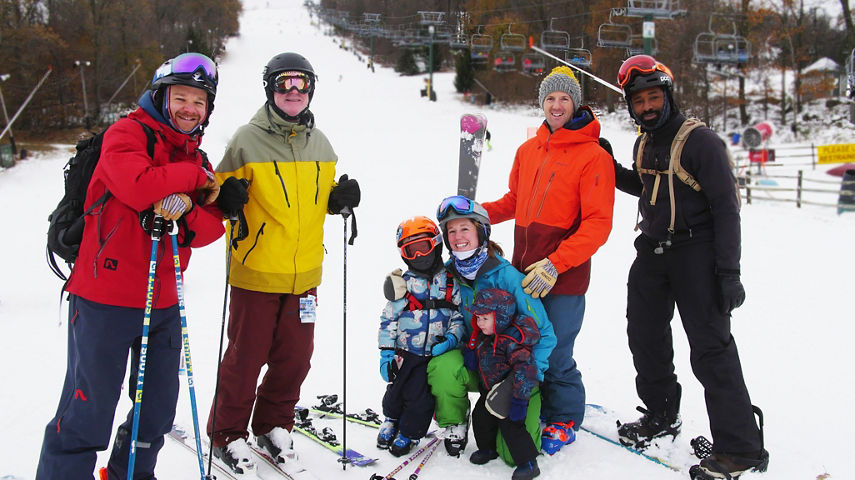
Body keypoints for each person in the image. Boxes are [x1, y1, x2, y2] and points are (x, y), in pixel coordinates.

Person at [36, 52, 225, 480]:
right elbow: (139, 186)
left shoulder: (198, 155)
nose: (189, 109)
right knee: (89, 409)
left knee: (156, 411)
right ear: (162, 95)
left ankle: (129, 474)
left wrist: (183, 213)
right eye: (181, 97)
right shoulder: (126, 135)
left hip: (163, 302)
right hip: (105, 298)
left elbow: (212, 229)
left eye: (200, 102)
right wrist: (195, 182)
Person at [611, 54, 769, 479]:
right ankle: (661, 414)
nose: (647, 106)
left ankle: (740, 448)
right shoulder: (644, 141)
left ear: (668, 95)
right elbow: (647, 188)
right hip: (652, 252)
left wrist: (728, 272)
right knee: (645, 337)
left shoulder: (701, 142)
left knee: (711, 350)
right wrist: (611, 169)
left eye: (653, 97)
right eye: (639, 100)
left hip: (696, 254)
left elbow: (727, 209)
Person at [207, 52, 361, 474]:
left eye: (301, 84)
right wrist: (225, 198)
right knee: (246, 356)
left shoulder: (321, 143)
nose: (293, 92)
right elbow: (215, 194)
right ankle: (226, 432)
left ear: (311, 89)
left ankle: (274, 423)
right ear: (269, 89)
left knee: (296, 357)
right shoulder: (246, 139)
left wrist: (338, 200)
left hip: (305, 273)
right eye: (283, 84)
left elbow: (321, 195)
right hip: (256, 270)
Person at [480, 65, 615, 455]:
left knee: (555, 352)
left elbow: (598, 224)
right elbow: (514, 202)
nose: (556, 105)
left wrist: (557, 263)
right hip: (523, 276)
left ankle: (564, 417)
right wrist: (474, 214)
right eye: (550, 98)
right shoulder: (529, 150)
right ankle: (533, 405)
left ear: (576, 104)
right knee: (524, 347)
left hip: (563, 278)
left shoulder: (593, 157)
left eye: (564, 98)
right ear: (542, 103)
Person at [397, 196, 555, 464]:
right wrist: (398, 282)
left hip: (513, 374)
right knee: (442, 366)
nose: (458, 237)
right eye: (452, 231)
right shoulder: (448, 274)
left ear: (481, 231)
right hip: (476, 363)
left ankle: (535, 410)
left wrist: (524, 382)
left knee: (513, 457)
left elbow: (545, 334)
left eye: (465, 229)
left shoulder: (507, 277)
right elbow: (419, 288)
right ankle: (455, 423)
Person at [376, 216, 464, 457]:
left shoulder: (449, 282)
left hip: (432, 355)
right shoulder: (402, 285)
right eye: (410, 251)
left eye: (423, 248)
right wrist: (386, 352)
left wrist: (451, 340)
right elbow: (388, 319)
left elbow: (459, 317)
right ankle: (391, 418)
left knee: (419, 398)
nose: (418, 257)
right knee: (396, 389)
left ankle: (410, 432)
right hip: (405, 352)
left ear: (435, 244)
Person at [463, 288, 545, 480]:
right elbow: (482, 359)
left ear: (499, 318)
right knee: (481, 416)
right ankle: (487, 449)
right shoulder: (485, 336)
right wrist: (471, 353)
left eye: (485, 318)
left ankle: (528, 463)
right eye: (478, 318)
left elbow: (525, 371)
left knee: (512, 425)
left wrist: (519, 401)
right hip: (489, 391)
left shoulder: (511, 342)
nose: (479, 323)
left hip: (511, 392)